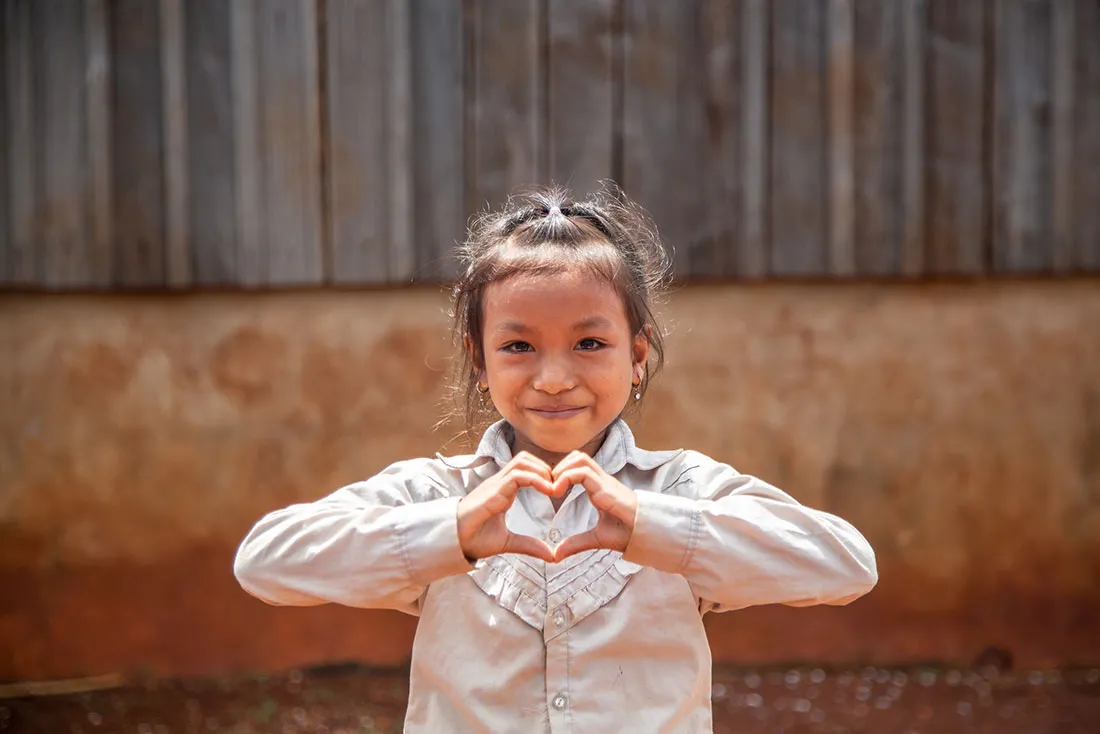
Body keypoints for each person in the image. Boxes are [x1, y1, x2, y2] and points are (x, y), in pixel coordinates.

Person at [233, 184, 878, 733]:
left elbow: (846, 565)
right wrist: (448, 533)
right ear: (479, 361)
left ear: (638, 354)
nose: (553, 378)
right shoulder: (438, 494)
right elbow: (265, 562)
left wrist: (657, 527)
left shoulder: (678, 489)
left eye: (590, 342)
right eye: (518, 346)